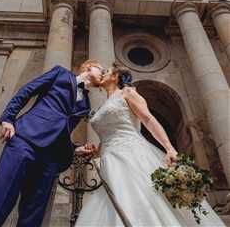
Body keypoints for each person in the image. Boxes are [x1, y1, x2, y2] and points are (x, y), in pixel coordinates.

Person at [75, 63, 226, 227]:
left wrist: (169, 148)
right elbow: (107, 138)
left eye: (107, 71)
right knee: (115, 200)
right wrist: (94, 151)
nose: (103, 73)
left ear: (116, 76)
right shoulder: (101, 106)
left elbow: (148, 119)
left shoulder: (128, 92)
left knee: (139, 198)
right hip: (109, 159)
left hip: (131, 153)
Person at [0, 60, 105, 227]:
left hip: (50, 159)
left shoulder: (86, 105)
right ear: (89, 66)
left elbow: (64, 130)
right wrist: (7, 119)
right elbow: (27, 91)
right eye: (102, 70)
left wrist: (75, 148)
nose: (104, 73)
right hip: (25, 141)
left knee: (33, 216)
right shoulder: (60, 74)